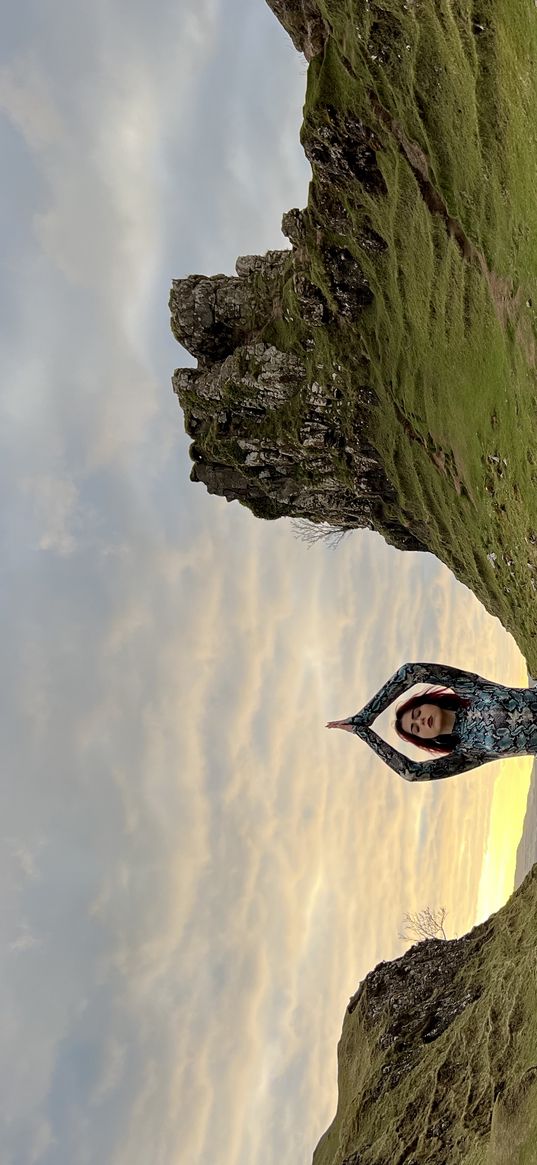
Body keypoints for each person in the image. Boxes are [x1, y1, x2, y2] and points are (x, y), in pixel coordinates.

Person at [326, 662, 537, 782]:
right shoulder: (467, 753)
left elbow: (410, 672)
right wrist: (363, 732)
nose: (420, 721)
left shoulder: (470, 689)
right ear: (426, 739)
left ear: (427, 702)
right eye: (415, 729)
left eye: (416, 713)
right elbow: (411, 773)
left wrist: (366, 715)